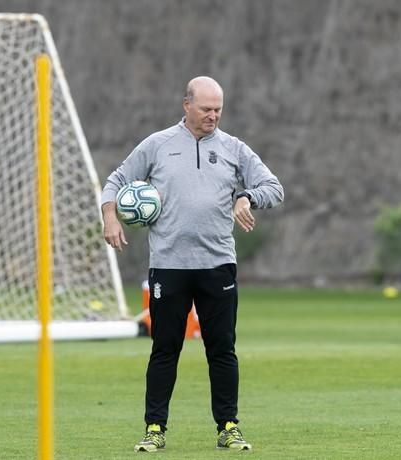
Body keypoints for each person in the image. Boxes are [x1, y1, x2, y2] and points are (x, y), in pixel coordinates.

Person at [102, 76, 284, 452]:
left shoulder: (234, 149)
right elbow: (116, 180)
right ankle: (154, 429)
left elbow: (274, 187)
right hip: (169, 266)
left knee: (222, 348)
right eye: (205, 109)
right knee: (165, 348)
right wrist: (110, 215)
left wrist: (247, 197)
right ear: (186, 105)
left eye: (218, 109)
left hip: (218, 265)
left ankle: (229, 426)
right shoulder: (158, 145)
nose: (212, 116)